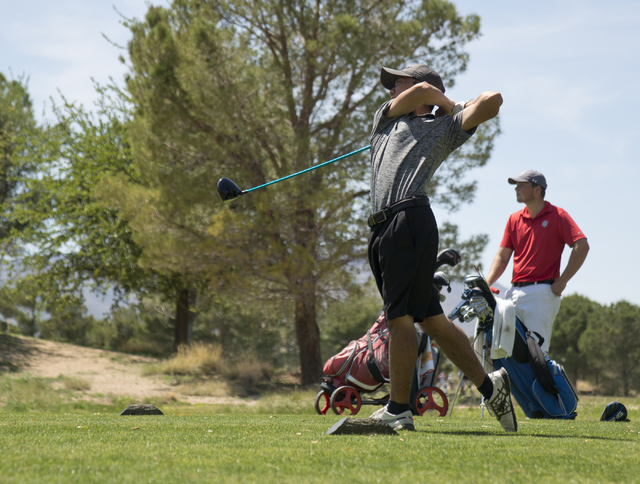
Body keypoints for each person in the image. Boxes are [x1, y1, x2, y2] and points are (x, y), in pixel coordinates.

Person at [367, 64, 517, 432]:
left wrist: (451, 108)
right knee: (432, 319)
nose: (391, 90)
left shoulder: (445, 128)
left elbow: (493, 102)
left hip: (408, 219)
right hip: (381, 229)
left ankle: (398, 409)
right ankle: (490, 385)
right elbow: (416, 96)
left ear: (420, 86)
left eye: (397, 82)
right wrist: (438, 100)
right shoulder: (383, 121)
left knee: (399, 316)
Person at [485, 170, 589, 352]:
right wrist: (487, 284)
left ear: (537, 190)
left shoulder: (558, 215)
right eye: (516, 185)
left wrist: (563, 280)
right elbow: (502, 257)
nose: (516, 189)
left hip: (541, 294)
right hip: (512, 294)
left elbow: (582, 245)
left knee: (536, 355)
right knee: (506, 353)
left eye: (521, 185)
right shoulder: (514, 219)